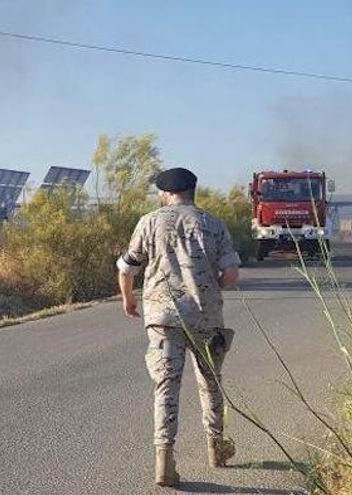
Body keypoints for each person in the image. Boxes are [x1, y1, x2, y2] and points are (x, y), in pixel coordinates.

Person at [116, 167, 241, 487]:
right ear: (192, 191)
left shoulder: (149, 222)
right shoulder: (213, 224)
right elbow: (230, 275)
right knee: (210, 383)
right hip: (206, 318)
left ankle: (164, 461)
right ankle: (216, 448)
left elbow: (128, 268)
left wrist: (129, 300)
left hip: (162, 319)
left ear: (164, 193)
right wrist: (209, 288)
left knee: (166, 386)